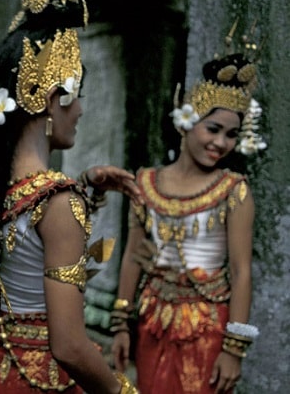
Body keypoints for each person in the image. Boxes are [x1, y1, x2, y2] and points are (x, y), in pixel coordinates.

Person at [0, 0, 140, 393]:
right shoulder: (58, 204)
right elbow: (69, 345)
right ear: (52, 100)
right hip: (37, 380)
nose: (82, 109)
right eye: (78, 95)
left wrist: (83, 186)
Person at [110, 34, 264, 394]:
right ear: (186, 120)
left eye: (231, 134)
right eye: (213, 129)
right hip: (153, 322)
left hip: (208, 327)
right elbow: (133, 256)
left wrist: (234, 349)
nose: (221, 143)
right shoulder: (145, 183)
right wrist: (121, 323)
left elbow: (241, 272)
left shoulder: (234, 190)